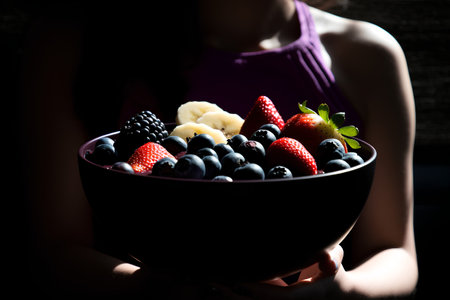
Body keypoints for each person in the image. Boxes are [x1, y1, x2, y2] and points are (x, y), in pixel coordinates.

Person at [23, 0, 418, 298]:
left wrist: (343, 291)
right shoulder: (71, 45)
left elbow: (395, 252)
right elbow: (51, 250)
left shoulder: (369, 55)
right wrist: (147, 288)